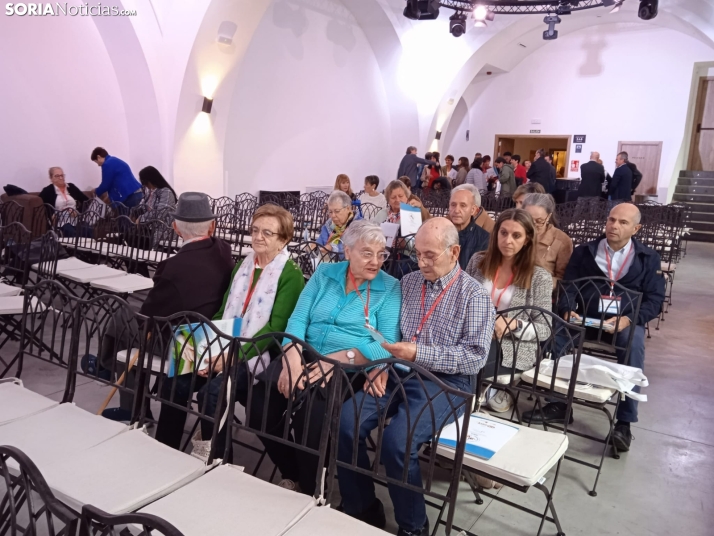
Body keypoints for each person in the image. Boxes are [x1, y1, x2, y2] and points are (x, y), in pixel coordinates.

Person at [338, 218, 495, 536]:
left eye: (429, 255)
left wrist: (417, 353)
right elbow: (390, 335)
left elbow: (475, 358)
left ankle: (413, 527)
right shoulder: (408, 283)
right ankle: (363, 507)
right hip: (398, 369)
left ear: (454, 252)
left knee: (398, 442)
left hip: (449, 382)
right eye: (417, 254)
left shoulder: (474, 297)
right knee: (346, 421)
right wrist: (379, 365)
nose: (421, 262)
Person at [256, 220, 402, 494]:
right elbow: (298, 318)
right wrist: (292, 359)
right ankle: (292, 472)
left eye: (381, 254)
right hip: (303, 352)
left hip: (346, 369)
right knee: (258, 409)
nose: (376, 261)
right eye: (367, 253)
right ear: (347, 252)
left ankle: (312, 490)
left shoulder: (390, 288)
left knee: (309, 420)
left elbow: (389, 343)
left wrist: (337, 359)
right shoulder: (325, 273)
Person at [155, 203, 305, 453]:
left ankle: (217, 460)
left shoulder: (290, 274)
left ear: (284, 239)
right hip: (226, 342)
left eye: (267, 233)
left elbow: (275, 328)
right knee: (176, 378)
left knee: (212, 394)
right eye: (255, 230)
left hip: (258, 355)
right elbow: (223, 310)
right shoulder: (244, 265)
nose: (258, 237)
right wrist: (206, 347)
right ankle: (165, 447)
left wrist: (231, 357)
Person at [526, 203, 665, 452]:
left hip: (621, 322)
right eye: (611, 220)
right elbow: (568, 286)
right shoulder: (585, 252)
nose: (614, 226)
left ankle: (624, 422)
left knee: (633, 347)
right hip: (585, 319)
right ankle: (559, 404)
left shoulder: (647, 258)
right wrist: (568, 310)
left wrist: (629, 319)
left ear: (636, 228)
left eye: (623, 222)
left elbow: (654, 300)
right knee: (554, 337)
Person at [99, 192, 235, 421]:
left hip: (184, 342)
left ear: (176, 228)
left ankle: (120, 389)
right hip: (214, 332)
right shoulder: (224, 249)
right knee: (129, 313)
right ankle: (106, 367)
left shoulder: (172, 267)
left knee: (121, 316)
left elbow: (150, 316)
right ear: (212, 227)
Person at [465, 209, 552, 412]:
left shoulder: (539, 277)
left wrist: (514, 324)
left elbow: (545, 329)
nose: (508, 241)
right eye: (503, 233)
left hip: (511, 345)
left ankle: (469, 399)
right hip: (473, 334)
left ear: (527, 239)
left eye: (516, 235)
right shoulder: (478, 261)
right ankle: (484, 393)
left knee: (468, 362)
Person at [521, 193, 573, 286]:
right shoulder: (514, 232)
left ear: (548, 217)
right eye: (528, 219)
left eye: (539, 221)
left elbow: (563, 280)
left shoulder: (561, 241)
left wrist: (539, 282)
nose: (533, 225)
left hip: (542, 292)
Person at [449, 185, 490, 269]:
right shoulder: (439, 232)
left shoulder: (485, 239)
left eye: (463, 205)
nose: (456, 210)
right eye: (453, 205)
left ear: (473, 210)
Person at [316, 190, 362, 258]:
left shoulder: (359, 226)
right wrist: (315, 246)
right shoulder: (329, 225)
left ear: (348, 209)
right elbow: (321, 240)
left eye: (337, 211)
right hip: (328, 264)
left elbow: (352, 249)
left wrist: (332, 248)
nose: (333, 216)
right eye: (330, 212)